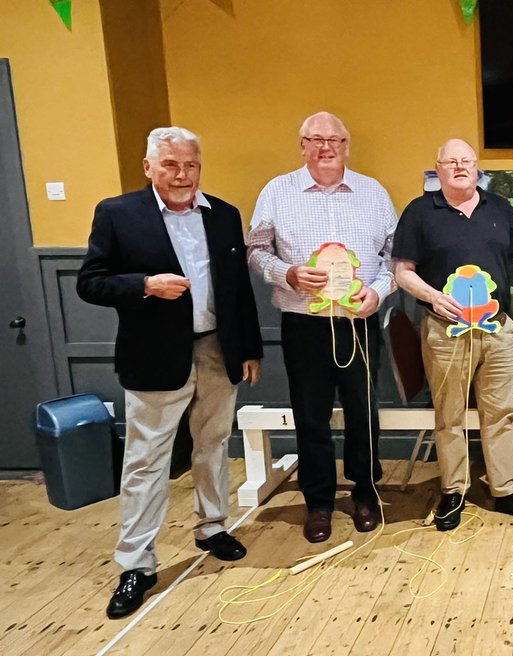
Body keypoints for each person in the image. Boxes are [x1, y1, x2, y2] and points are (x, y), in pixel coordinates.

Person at [78, 127, 263, 619]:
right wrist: (144, 285)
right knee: (145, 462)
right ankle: (136, 563)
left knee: (214, 443)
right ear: (149, 167)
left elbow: (237, 288)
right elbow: (90, 283)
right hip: (154, 357)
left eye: (191, 165)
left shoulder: (223, 215)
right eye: (171, 165)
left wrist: (248, 348)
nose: (182, 175)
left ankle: (213, 527)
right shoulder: (117, 214)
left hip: (218, 349)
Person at [247, 112, 397, 543]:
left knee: (363, 412)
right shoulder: (278, 191)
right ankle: (319, 502)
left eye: (333, 139)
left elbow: (394, 256)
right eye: (315, 139)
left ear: (347, 144)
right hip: (303, 323)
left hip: (359, 322)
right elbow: (256, 250)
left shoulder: (373, 192)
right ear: (302, 146)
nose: (325, 146)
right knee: (310, 416)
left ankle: (366, 492)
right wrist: (287, 274)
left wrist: (380, 291)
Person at [392, 138, 513, 531]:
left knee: (500, 415)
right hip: (445, 332)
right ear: (439, 168)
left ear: (476, 166)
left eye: (466, 161)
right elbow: (402, 271)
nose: (460, 167)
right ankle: (453, 491)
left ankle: (505, 490)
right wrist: (433, 298)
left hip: (497, 330)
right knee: (449, 418)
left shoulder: (500, 209)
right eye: (451, 161)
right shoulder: (418, 212)